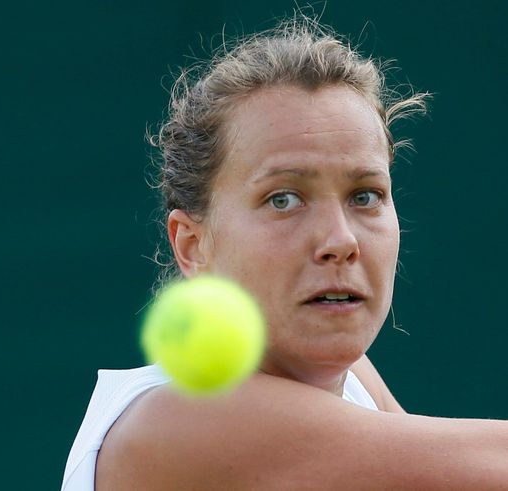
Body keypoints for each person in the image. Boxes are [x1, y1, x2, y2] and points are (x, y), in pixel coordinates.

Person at [62, 15, 508, 490]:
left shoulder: (346, 376)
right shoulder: (180, 417)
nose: (340, 241)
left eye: (365, 196)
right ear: (193, 246)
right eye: (283, 200)